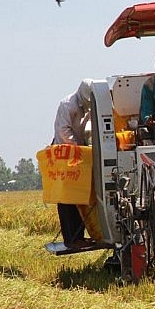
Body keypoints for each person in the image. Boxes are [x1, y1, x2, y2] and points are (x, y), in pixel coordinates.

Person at [53, 79, 94, 249]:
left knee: (80, 194)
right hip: (64, 151)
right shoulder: (67, 105)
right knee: (67, 197)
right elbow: (63, 131)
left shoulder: (90, 107)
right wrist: (78, 149)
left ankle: (80, 236)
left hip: (82, 151)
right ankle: (71, 238)